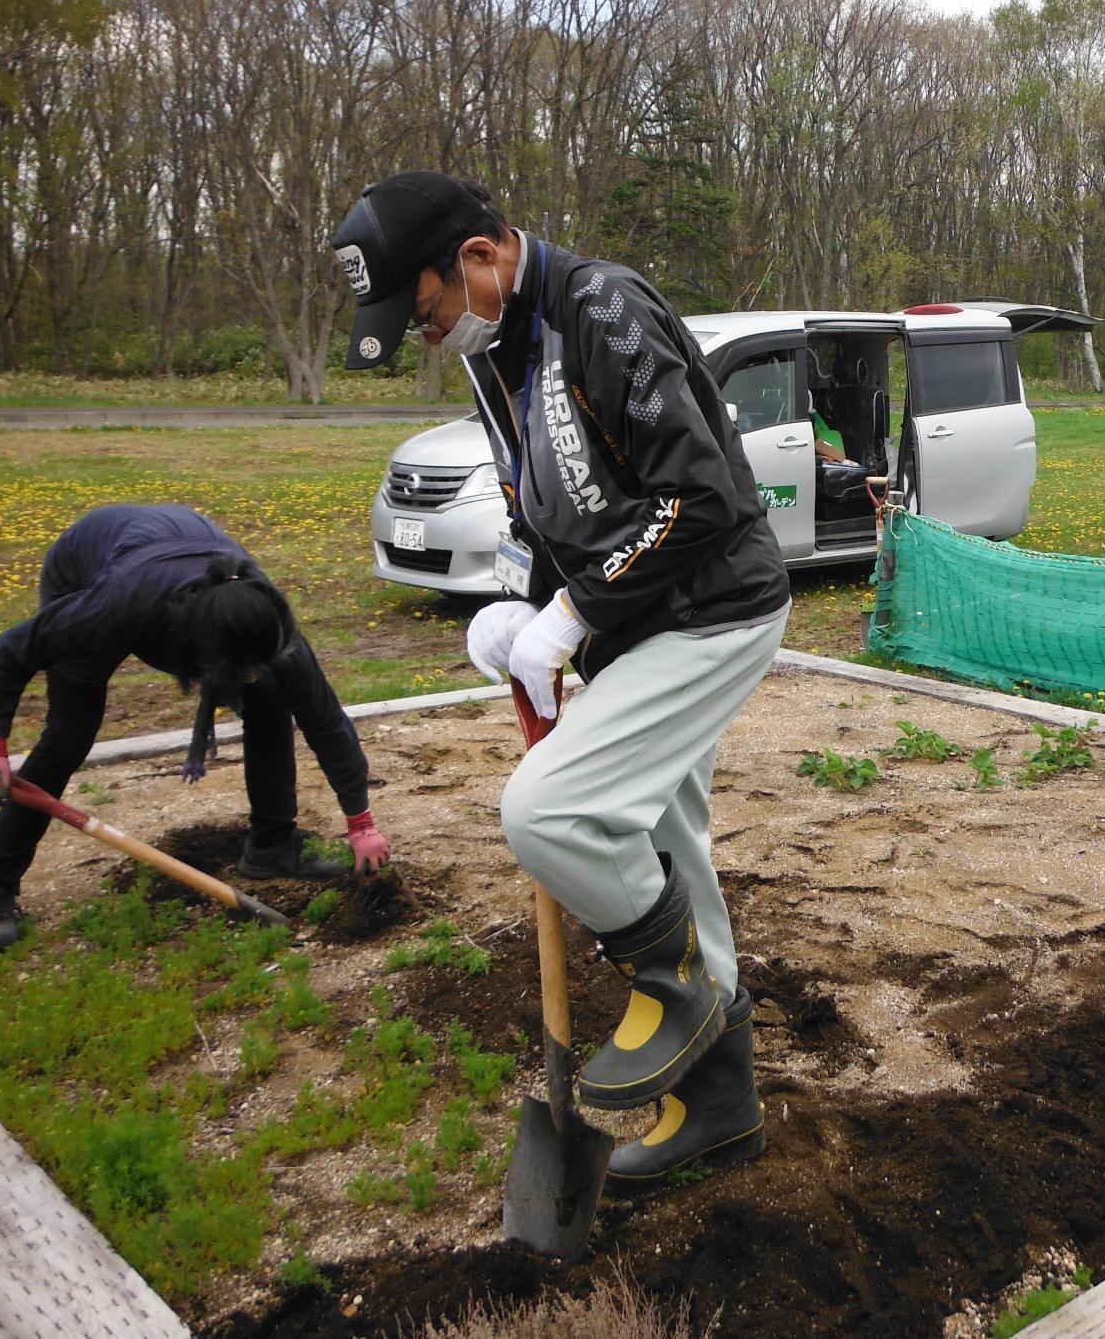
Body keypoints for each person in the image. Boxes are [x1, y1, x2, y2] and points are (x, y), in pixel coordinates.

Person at [330, 172, 791, 1192]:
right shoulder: (496, 348)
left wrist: (575, 613)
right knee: (664, 840)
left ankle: (679, 1001)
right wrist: (518, 600)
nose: (423, 336)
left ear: (479, 261)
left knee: (550, 812)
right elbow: (544, 502)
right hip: (631, 621)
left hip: (708, 608)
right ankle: (720, 1109)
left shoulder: (599, 312)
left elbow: (699, 499)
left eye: (424, 314)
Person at [0, 504, 390, 948]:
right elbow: (11, 652)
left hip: (172, 550)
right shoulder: (113, 606)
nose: (245, 677)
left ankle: (272, 845)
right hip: (90, 567)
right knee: (70, 731)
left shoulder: (269, 628)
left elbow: (326, 721)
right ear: (193, 652)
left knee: (269, 700)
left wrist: (360, 823)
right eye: (234, 671)